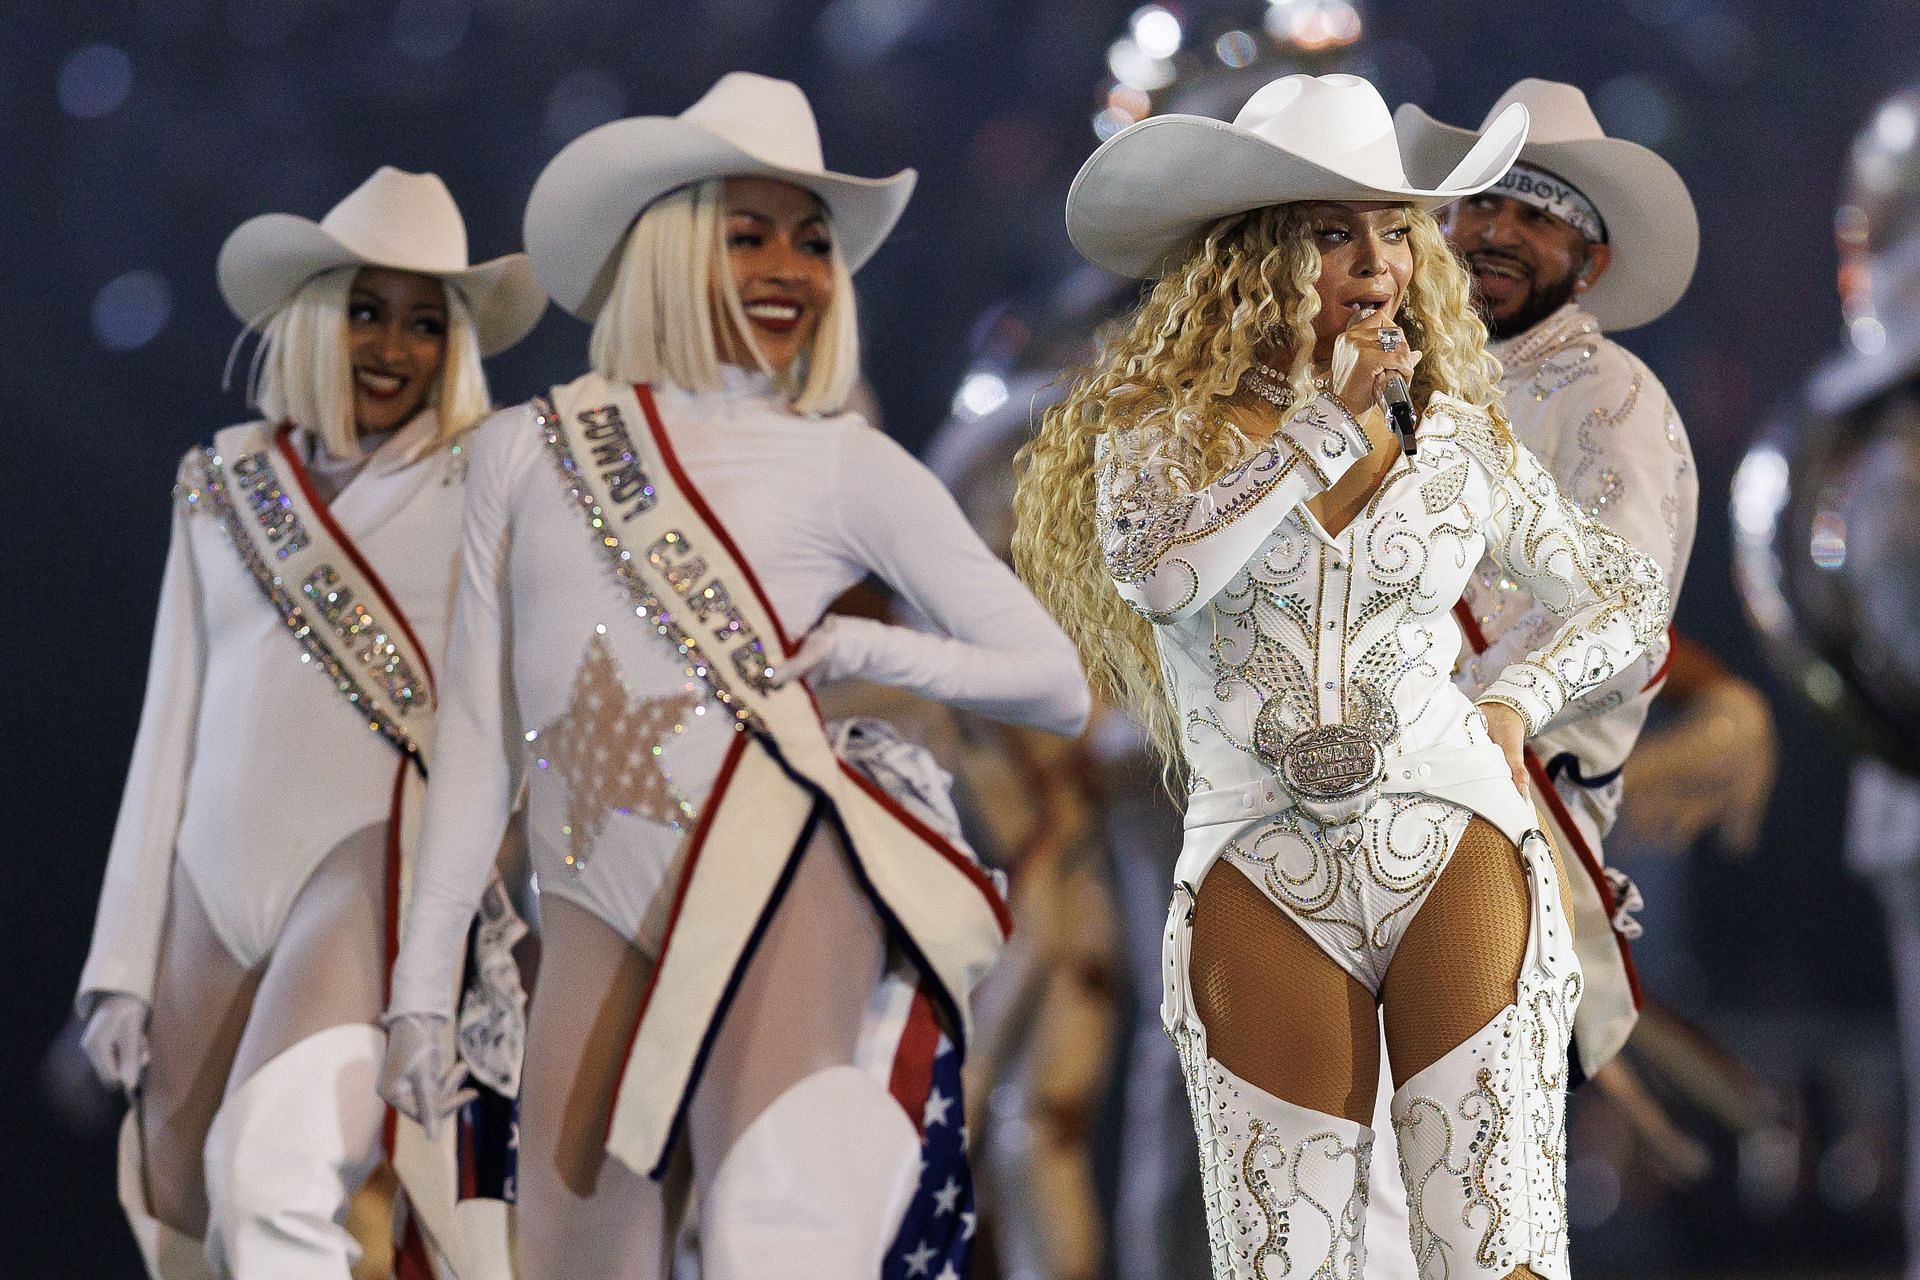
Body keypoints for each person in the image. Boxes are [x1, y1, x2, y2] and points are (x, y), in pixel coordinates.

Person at [375, 72, 1089, 1280]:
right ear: (663, 248)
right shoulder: (522, 449)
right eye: (748, 232)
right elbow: (480, 742)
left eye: (812, 242)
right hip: (589, 909)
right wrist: (421, 975)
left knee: (775, 1238)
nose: (789, 267)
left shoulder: (847, 464)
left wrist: (874, 649)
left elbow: (1052, 679)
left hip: (783, 869)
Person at [1015, 72, 1668, 1278]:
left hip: (1451, 834)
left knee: (1495, 1253)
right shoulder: (1154, 432)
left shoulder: (1460, 437)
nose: (1375, 259)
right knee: (1290, 1265)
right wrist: (1324, 430)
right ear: (1251, 258)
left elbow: (1627, 597)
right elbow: (1163, 579)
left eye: (1392, 230)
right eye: (1330, 232)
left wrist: (1516, 701)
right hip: (1258, 862)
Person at [75, 168, 545, 1278]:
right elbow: (167, 730)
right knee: (179, 1216)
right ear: (312, 316)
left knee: (273, 1179)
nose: (394, 345)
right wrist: (120, 963)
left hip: (365, 871)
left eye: (427, 322)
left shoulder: (487, 481)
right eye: (367, 310)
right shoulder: (220, 479)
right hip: (208, 876)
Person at [1397, 78, 1701, 1080]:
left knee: (1477, 1201)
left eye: (1537, 215)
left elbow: (1626, 618)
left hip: (1511, 828)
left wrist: (1452, 709)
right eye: (1481, 202)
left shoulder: (1613, 396)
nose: (1498, 230)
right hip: (1365, 821)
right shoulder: (1395, 388)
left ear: (1591, 260)